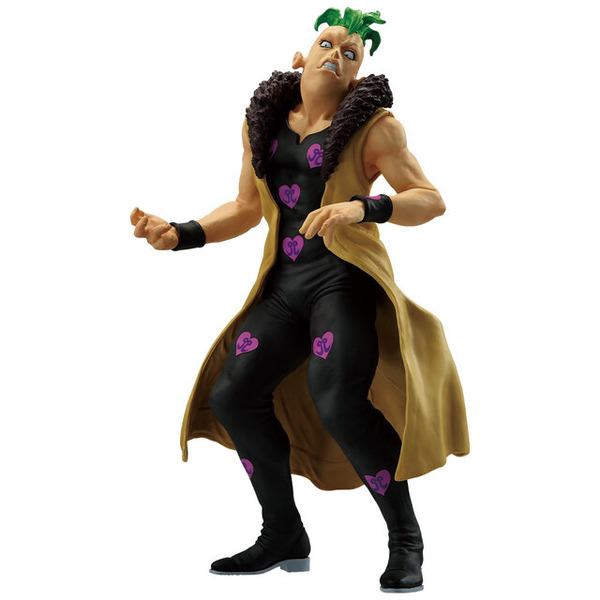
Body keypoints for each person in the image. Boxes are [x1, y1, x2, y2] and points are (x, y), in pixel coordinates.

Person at [130, 7, 469, 593]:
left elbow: (429, 198)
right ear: (300, 57)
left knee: (337, 398)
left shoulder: (376, 128)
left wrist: (364, 207)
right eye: (327, 43)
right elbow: (246, 207)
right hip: (286, 284)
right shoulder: (261, 123)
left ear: (356, 76)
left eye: (350, 53)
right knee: (233, 394)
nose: (336, 55)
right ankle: (283, 534)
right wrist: (181, 233)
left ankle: (405, 540)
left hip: (343, 280)